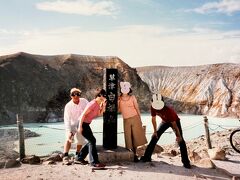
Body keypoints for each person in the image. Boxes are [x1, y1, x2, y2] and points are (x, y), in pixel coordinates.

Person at [140, 93, 191, 169]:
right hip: (164, 121)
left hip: (174, 122)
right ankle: (146, 157)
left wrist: (178, 135)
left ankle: (186, 162)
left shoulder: (168, 110)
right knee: (154, 137)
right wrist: (155, 131)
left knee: (181, 141)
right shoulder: (153, 107)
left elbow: (174, 124)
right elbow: (153, 119)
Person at [77, 88, 107, 168]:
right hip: (82, 123)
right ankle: (94, 162)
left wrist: (103, 106)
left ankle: (79, 158)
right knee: (92, 141)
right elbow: (83, 114)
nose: (105, 97)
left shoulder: (98, 104)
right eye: (104, 95)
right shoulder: (93, 103)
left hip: (86, 124)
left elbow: (100, 114)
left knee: (91, 141)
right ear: (100, 95)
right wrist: (80, 127)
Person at [118, 82, 147, 162]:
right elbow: (118, 110)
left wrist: (140, 119)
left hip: (135, 118)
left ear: (129, 89)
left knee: (135, 137)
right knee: (128, 137)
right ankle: (131, 154)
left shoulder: (132, 97)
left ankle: (134, 155)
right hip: (126, 119)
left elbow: (137, 108)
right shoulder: (119, 98)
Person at [63, 87, 89, 165]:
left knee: (80, 140)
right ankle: (65, 156)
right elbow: (67, 119)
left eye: (78, 94)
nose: (76, 96)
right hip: (72, 124)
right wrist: (69, 131)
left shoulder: (84, 101)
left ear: (80, 94)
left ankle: (77, 155)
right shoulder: (68, 106)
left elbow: (90, 108)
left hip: (81, 123)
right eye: (73, 94)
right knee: (69, 138)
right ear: (71, 96)